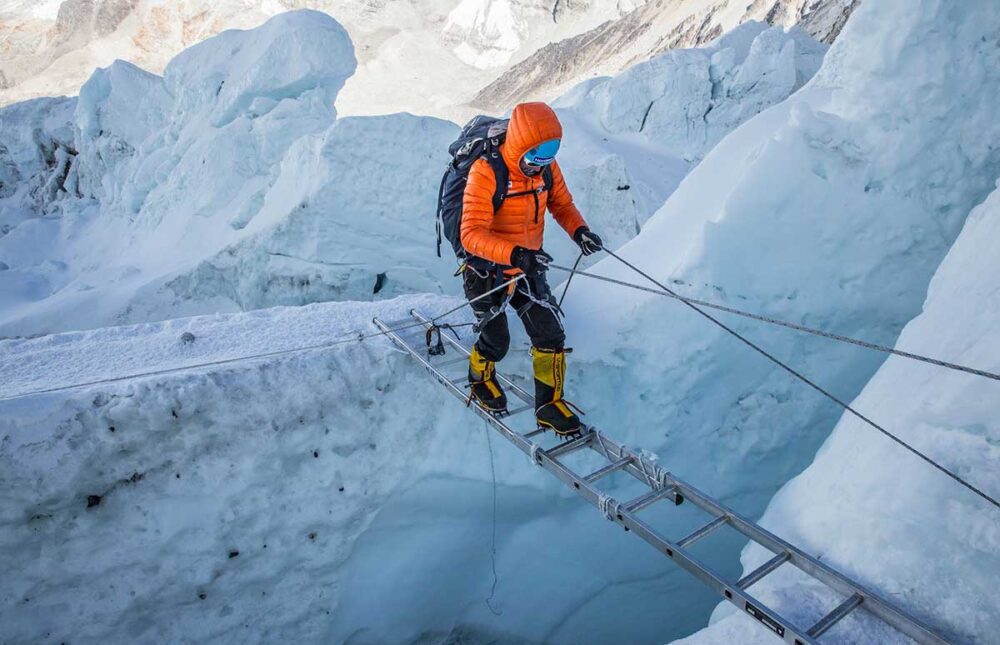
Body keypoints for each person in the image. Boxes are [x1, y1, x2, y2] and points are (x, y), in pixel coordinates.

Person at [460, 101, 603, 436]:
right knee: (496, 341)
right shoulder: (486, 171)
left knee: (550, 334)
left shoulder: (546, 170)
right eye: (535, 157)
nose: (539, 166)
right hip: (486, 272)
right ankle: (479, 377)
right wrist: (515, 255)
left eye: (548, 156)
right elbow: (470, 234)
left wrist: (579, 231)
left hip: (527, 266)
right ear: (519, 145)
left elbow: (562, 204)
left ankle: (549, 406)